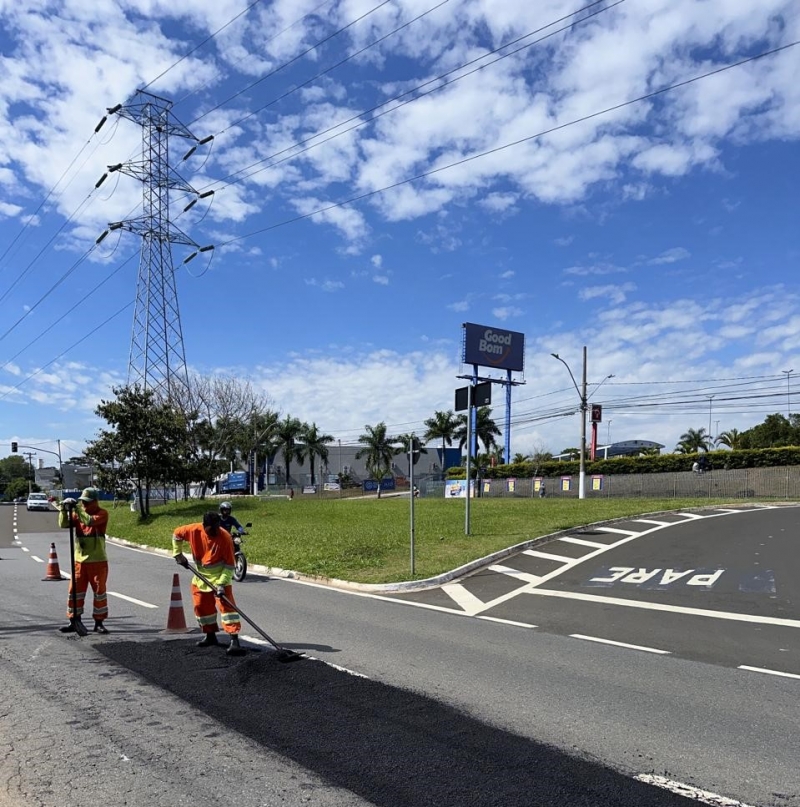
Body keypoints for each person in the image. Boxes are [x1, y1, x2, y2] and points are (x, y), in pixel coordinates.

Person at [172, 511, 245, 656]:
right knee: (201, 608)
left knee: (228, 610)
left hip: (220, 579)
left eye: (218, 527)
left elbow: (230, 565)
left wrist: (221, 584)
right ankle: (210, 636)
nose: (216, 531)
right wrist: (177, 553)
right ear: (204, 526)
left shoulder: (225, 537)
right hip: (200, 578)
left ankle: (234, 640)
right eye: (213, 529)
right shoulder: (193, 530)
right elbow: (176, 534)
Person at [57, 487, 110, 634]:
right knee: (75, 592)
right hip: (79, 561)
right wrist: (63, 509)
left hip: (98, 561)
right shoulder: (78, 514)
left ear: (95, 501)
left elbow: (89, 522)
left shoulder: (102, 514)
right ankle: (74, 620)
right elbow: (63, 524)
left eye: (87, 502)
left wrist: (76, 510)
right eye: (82, 502)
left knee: (99, 592)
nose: (84, 505)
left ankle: (99, 622)